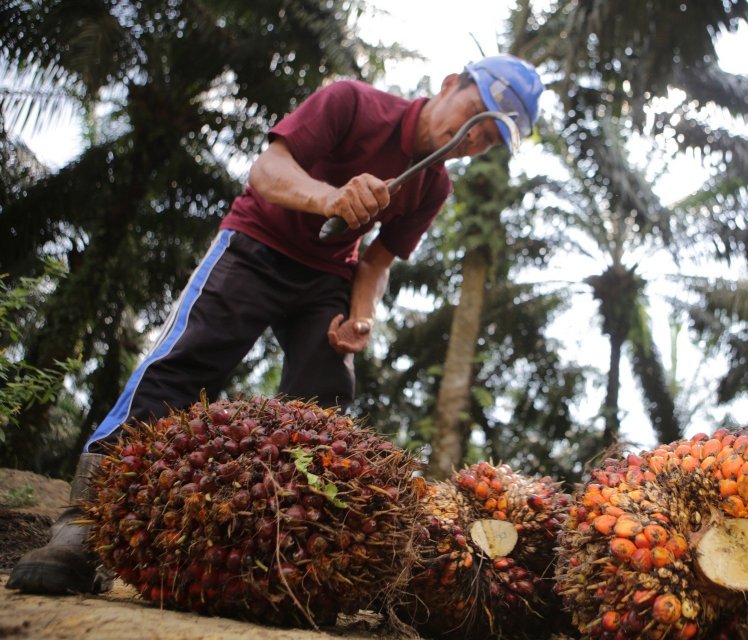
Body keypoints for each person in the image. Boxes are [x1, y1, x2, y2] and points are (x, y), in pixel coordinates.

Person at [7, 54, 543, 594]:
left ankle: (277, 546)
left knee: (327, 394)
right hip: (256, 246)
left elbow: (376, 262)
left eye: (490, 141)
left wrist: (360, 318)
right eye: (476, 118)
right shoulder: (351, 102)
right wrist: (329, 197)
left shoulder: (432, 187)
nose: (473, 142)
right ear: (450, 85)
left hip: (327, 276)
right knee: (184, 366)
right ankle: (82, 526)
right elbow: (266, 172)